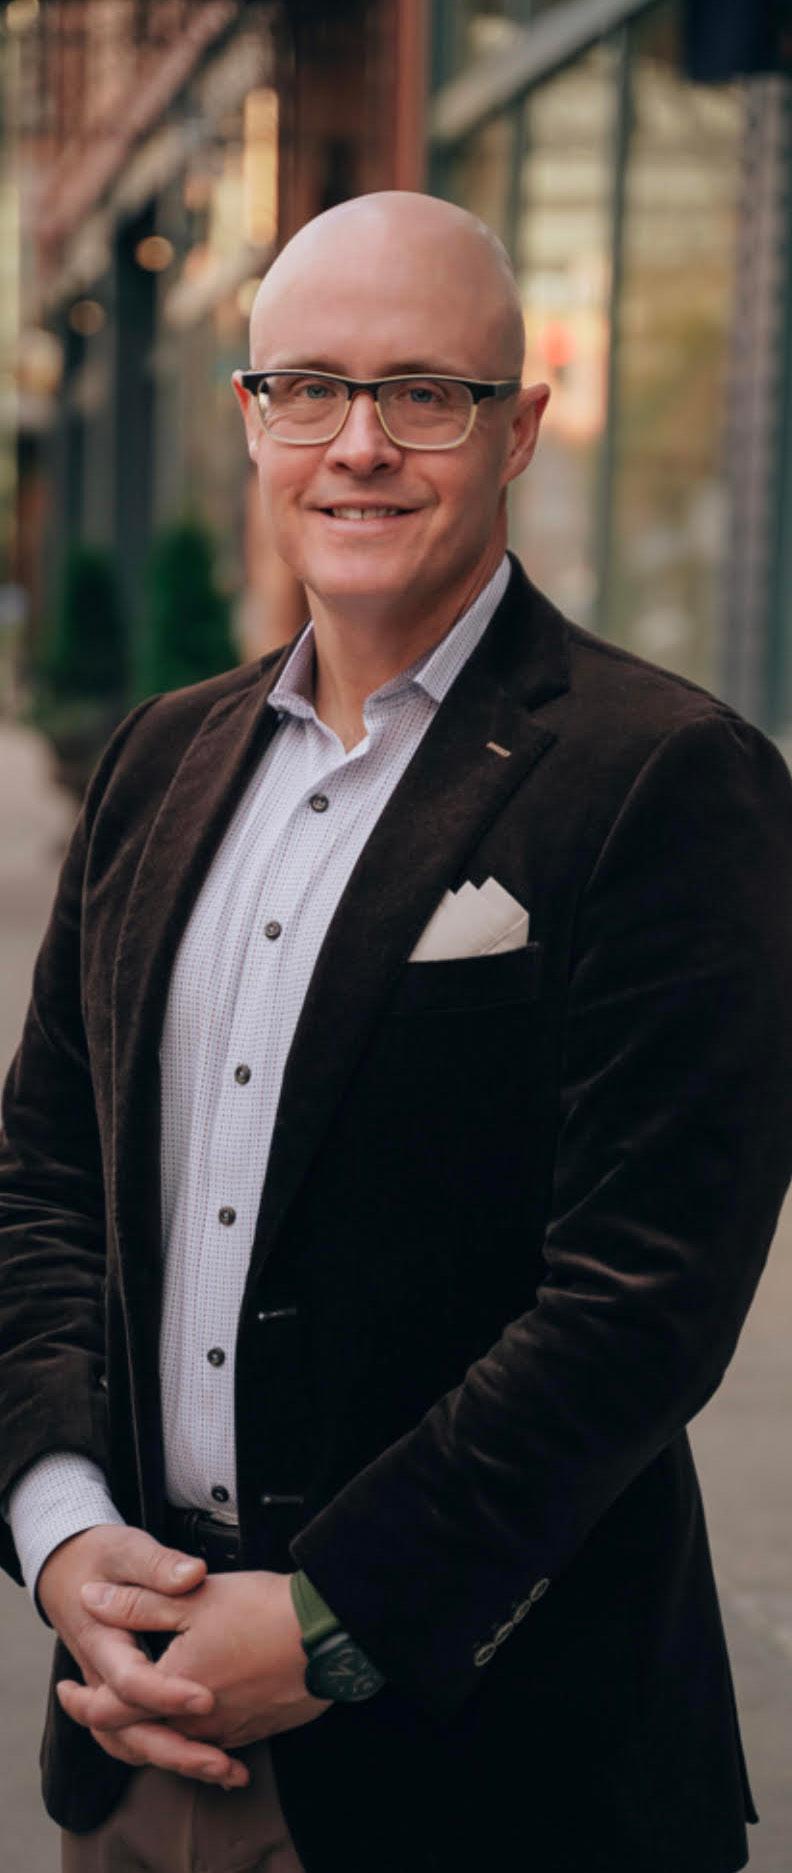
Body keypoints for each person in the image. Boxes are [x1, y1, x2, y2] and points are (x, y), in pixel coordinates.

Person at [1, 190, 791, 1873]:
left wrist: (333, 1619)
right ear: (253, 418)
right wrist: (61, 1531)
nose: (358, 445)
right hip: (137, 1740)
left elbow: (643, 1300)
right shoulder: (156, 761)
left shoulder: (669, 777)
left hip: (496, 1773)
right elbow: (45, 1183)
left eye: (423, 393)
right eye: (311, 388)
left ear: (520, 428)